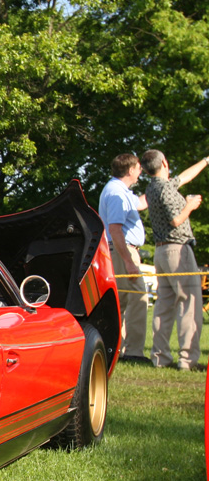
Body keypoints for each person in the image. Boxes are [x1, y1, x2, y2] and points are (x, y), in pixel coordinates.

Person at [140, 149, 209, 370]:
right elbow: (176, 220)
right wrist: (190, 205)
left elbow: (185, 177)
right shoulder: (166, 190)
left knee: (164, 305)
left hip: (161, 253)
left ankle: (160, 357)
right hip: (178, 250)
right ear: (165, 163)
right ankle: (188, 360)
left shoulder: (153, 188)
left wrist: (205, 161)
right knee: (189, 304)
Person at [98, 153, 149, 362]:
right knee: (138, 299)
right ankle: (134, 352)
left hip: (120, 250)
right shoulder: (116, 193)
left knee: (122, 301)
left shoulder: (119, 190)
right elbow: (115, 229)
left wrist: (161, 186)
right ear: (130, 170)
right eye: (138, 168)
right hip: (123, 251)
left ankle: (113, 348)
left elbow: (140, 204)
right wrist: (129, 261)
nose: (140, 172)